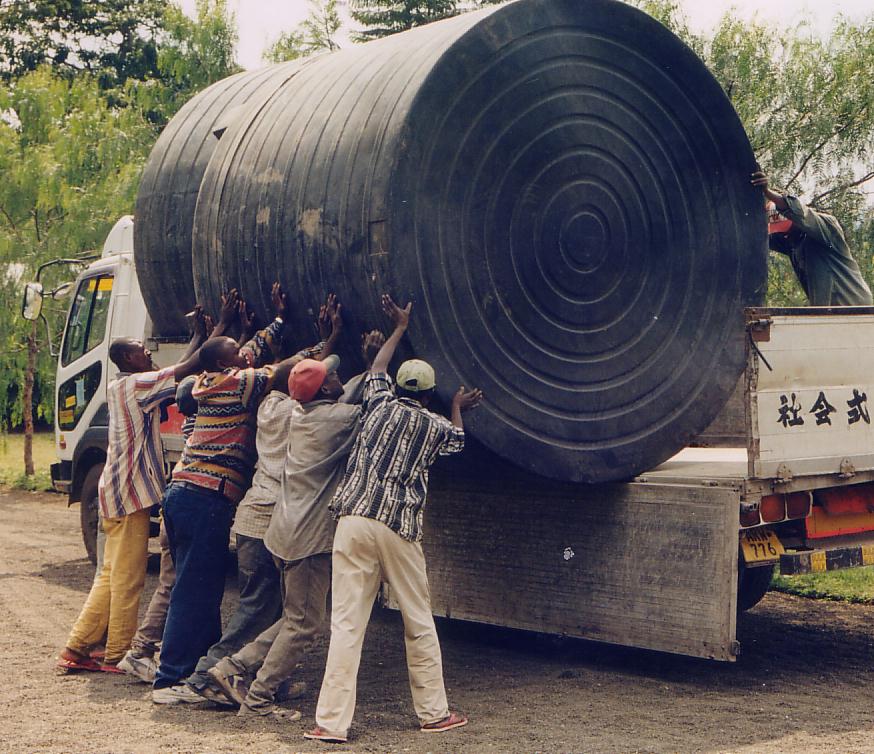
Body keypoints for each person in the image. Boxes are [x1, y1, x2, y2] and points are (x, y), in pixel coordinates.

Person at [304, 295, 482, 744]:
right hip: (396, 525)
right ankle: (434, 714)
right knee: (418, 620)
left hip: (351, 519)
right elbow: (458, 442)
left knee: (346, 624)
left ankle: (331, 722)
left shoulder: (378, 403)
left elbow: (379, 367)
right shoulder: (434, 426)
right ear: (427, 394)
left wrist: (399, 328)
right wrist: (458, 407)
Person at [204, 329, 385, 719]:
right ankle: (258, 698)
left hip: (282, 533)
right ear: (323, 392)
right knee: (304, 626)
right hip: (307, 538)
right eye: (331, 376)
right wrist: (375, 362)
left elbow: (346, 389)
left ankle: (231, 667)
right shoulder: (336, 421)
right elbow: (373, 399)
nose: (338, 376)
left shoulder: (298, 414)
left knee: (296, 617)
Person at [182, 296, 343, 703]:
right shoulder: (298, 417)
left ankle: (265, 679)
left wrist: (282, 333)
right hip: (266, 526)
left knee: (272, 611)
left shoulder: (266, 405)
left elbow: (283, 373)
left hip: (253, 523)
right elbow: (295, 379)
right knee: (257, 612)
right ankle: (207, 678)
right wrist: (330, 340)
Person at [152, 284, 304, 703]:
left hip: (184, 492)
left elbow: (253, 350)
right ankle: (172, 679)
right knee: (193, 590)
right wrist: (319, 346)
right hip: (205, 497)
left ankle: (196, 669)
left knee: (199, 587)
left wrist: (276, 321)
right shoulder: (236, 385)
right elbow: (282, 368)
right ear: (226, 363)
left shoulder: (207, 379)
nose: (244, 354)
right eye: (236, 353)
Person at [56, 328, 203, 673]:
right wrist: (212, 333)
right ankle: (115, 653)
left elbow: (174, 368)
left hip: (116, 492)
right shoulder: (136, 387)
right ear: (126, 359)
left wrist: (198, 335)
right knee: (128, 578)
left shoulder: (122, 385)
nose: (147, 354)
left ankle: (77, 646)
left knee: (109, 574)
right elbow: (181, 370)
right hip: (130, 497)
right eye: (140, 351)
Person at [751, 171, 872, 306]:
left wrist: (768, 192)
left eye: (787, 230)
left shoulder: (826, 227)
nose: (785, 236)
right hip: (827, 314)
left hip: (855, 308)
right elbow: (757, 238)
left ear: (795, 222)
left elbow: (801, 213)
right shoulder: (792, 242)